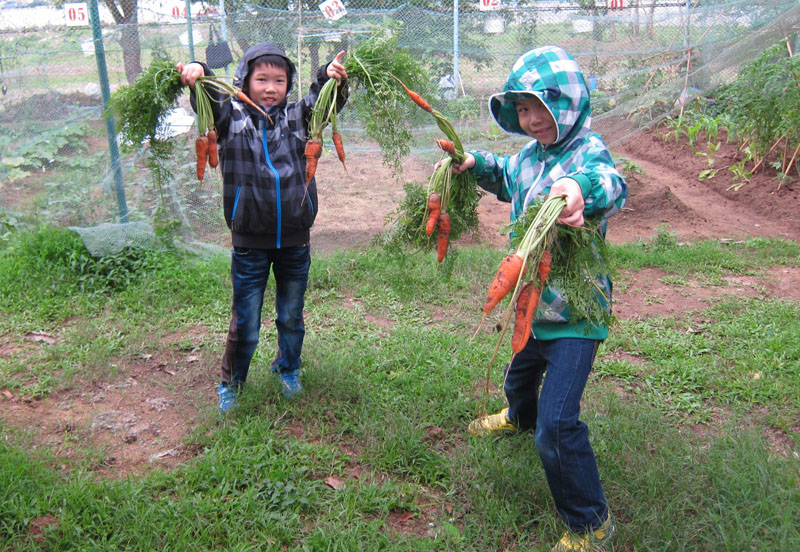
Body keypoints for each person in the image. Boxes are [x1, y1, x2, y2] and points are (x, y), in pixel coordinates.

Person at [448, 46, 627, 551]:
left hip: (575, 312)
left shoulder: (588, 152)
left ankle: (590, 522)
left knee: (558, 426)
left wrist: (577, 189)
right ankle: (517, 415)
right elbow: (505, 176)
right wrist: (472, 164)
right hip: (530, 301)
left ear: (568, 105)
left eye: (540, 109)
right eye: (522, 110)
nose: (531, 120)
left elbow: (611, 184)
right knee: (519, 374)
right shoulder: (528, 158)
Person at [178, 42, 348, 413]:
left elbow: (324, 99)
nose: (271, 87)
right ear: (244, 79)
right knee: (246, 320)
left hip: (295, 240)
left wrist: (328, 77)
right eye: (261, 79)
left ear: (289, 84)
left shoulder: (298, 116)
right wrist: (198, 71)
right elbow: (208, 96)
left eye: (279, 80)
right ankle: (232, 382)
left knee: (291, 315)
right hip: (249, 242)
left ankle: (288, 368)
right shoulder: (231, 118)